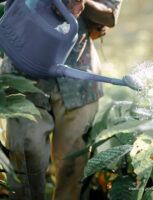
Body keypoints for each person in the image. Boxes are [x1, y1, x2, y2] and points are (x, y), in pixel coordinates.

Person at [0, 0, 122, 199]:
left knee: (73, 168)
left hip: (78, 78)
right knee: (25, 154)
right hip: (23, 69)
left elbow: (109, 15)